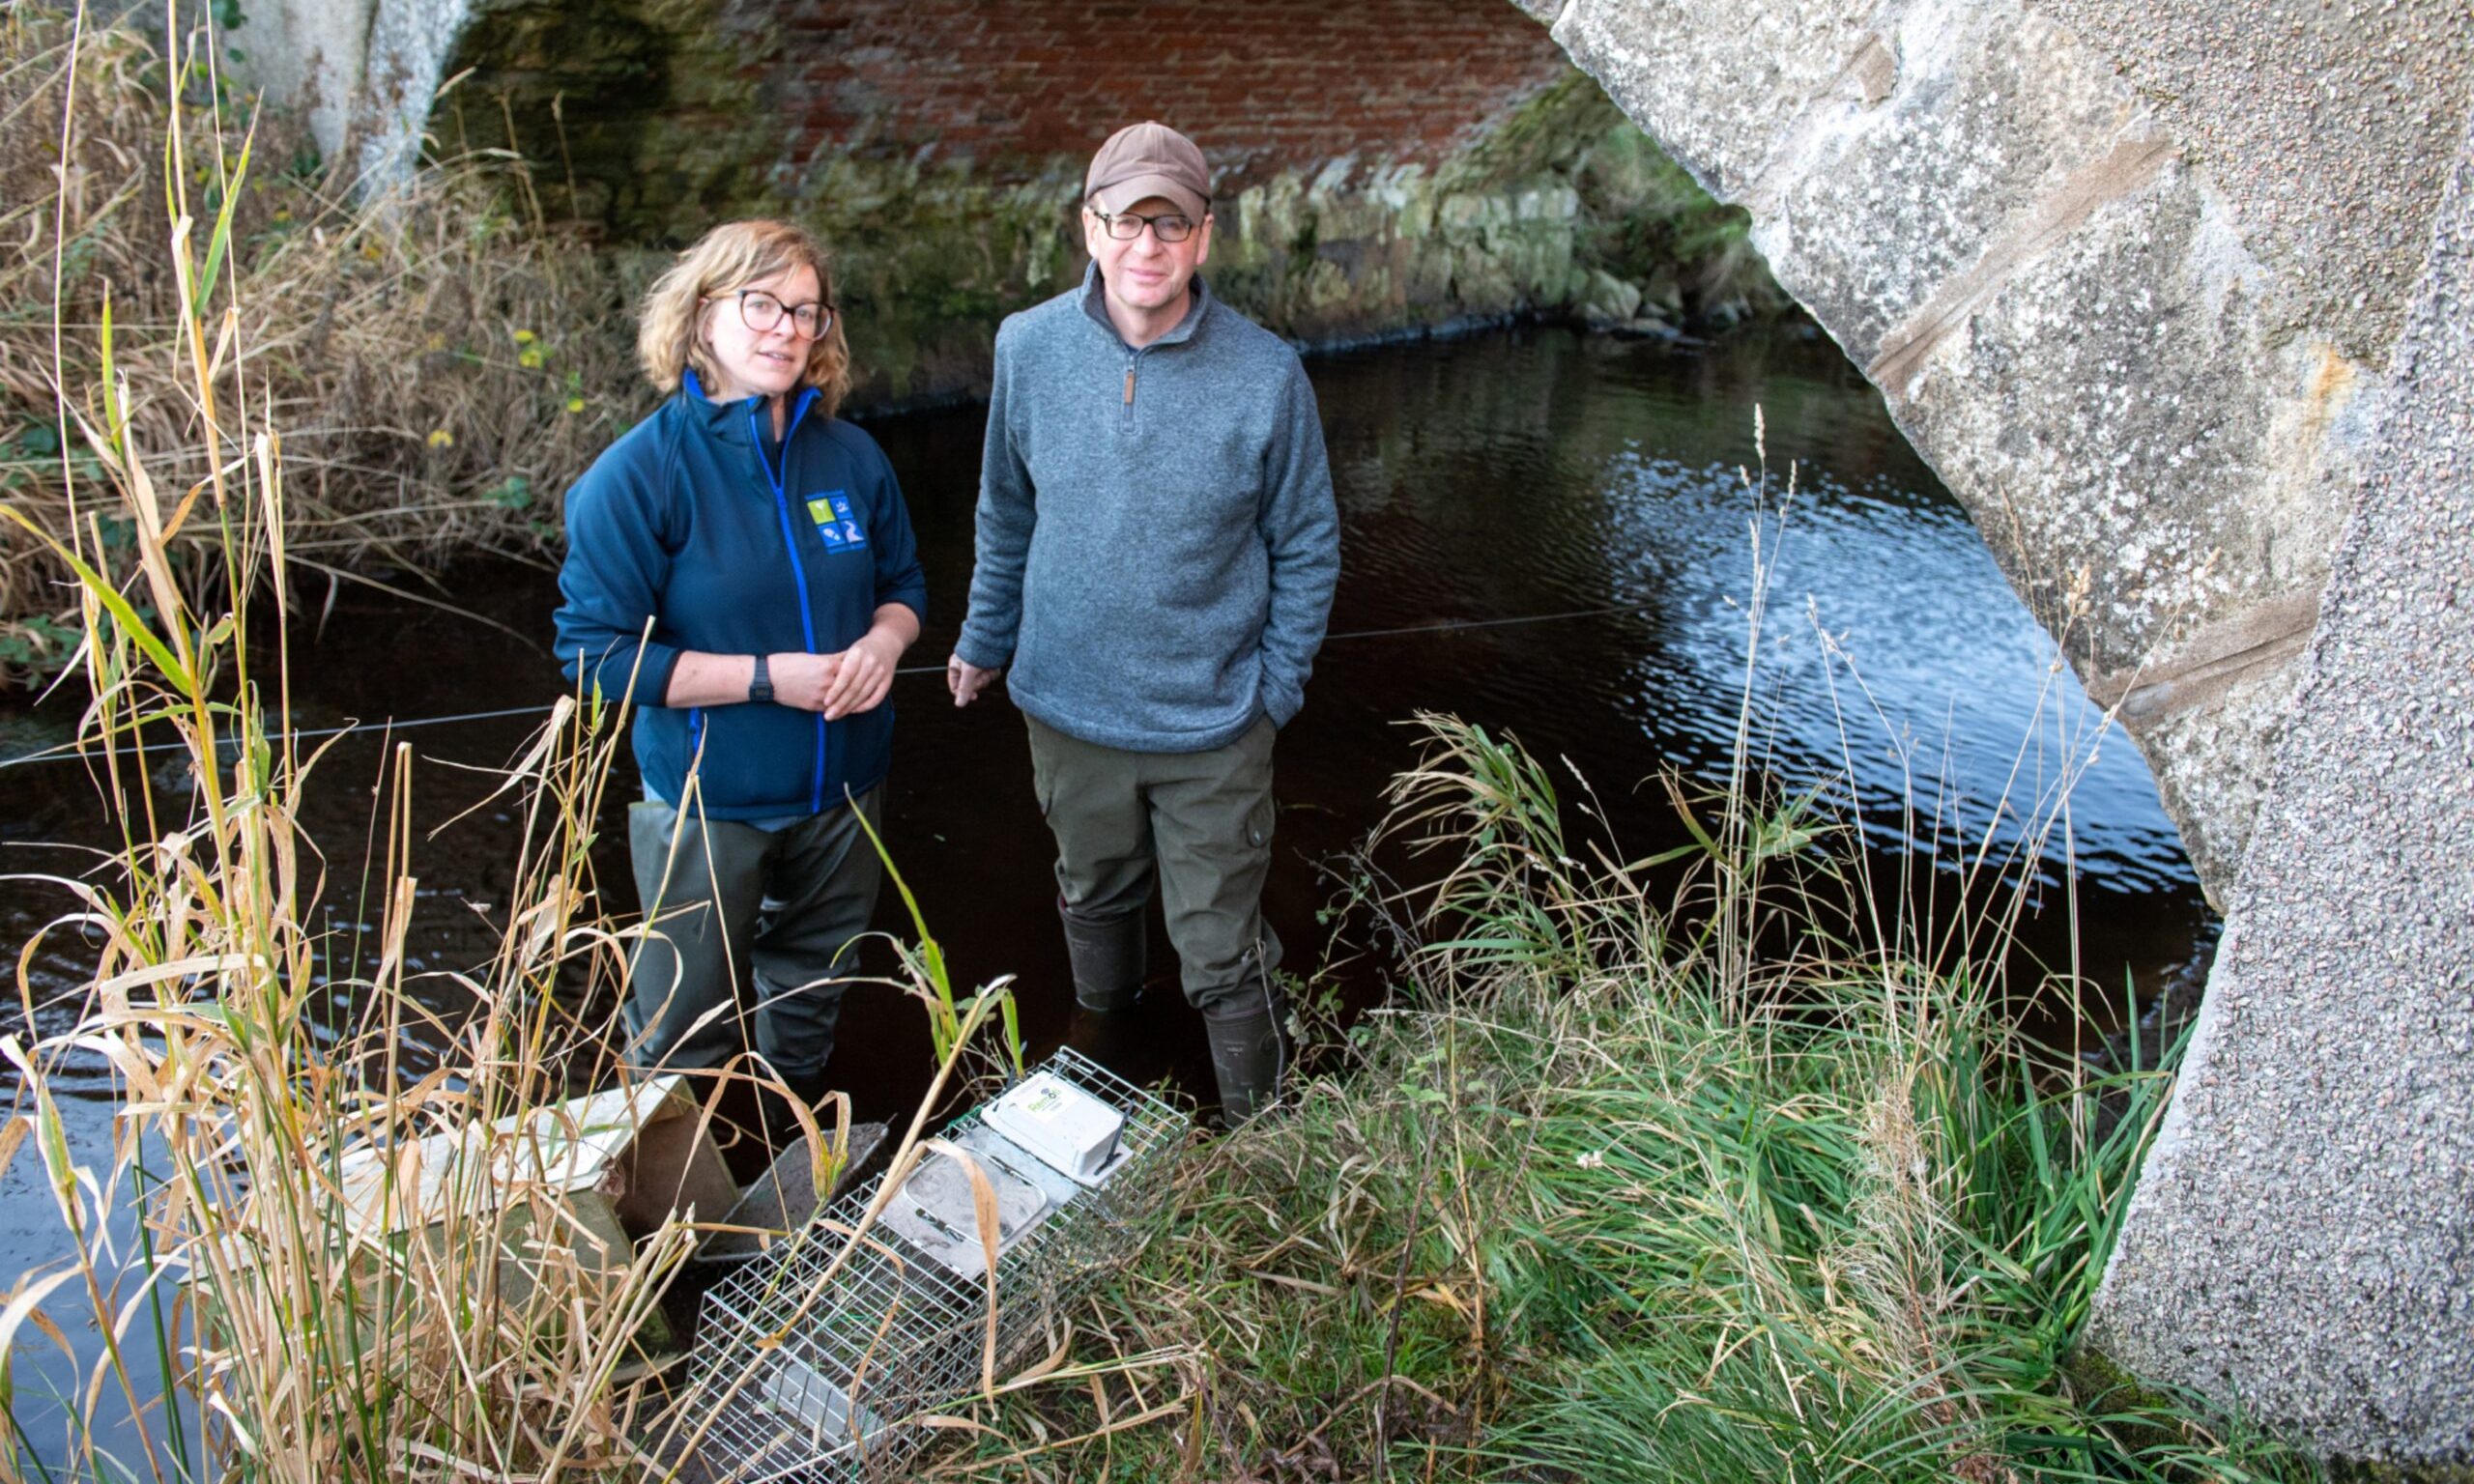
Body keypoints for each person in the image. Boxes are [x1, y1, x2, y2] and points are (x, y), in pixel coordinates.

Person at [947, 122, 1341, 1123]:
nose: (1147, 246)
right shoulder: (1026, 347)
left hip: (1212, 727)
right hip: (1066, 711)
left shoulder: (1266, 374)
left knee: (1217, 948)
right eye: (1127, 221)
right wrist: (985, 640)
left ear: (1204, 237)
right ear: (1091, 227)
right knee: (1091, 894)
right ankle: (1102, 1052)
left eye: (1171, 223)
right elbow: (1005, 510)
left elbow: (1306, 544)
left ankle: (1264, 1145)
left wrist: (1274, 694)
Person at [555, 219, 926, 1105]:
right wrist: (768, 678)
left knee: (809, 994)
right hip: (707, 803)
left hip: (845, 795)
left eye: (806, 311)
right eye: (761, 303)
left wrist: (884, 641)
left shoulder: (852, 457)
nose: (786, 329)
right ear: (700, 315)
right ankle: (679, 1212)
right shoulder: (637, 475)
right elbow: (594, 657)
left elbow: (905, 582)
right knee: (684, 1028)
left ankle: (785, 1140)